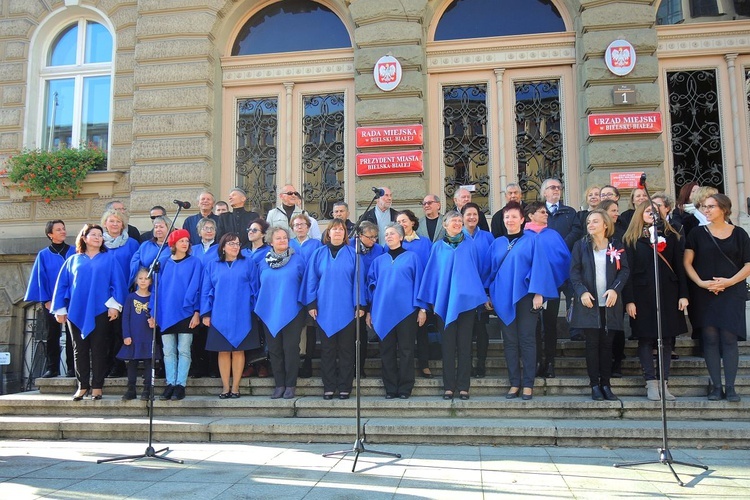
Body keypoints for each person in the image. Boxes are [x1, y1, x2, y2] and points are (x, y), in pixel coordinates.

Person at [484, 202, 559, 401]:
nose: (510, 220)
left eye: (514, 217)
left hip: (526, 297)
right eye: (507, 217)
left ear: (522, 219)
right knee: (509, 342)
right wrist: (488, 295)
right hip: (502, 298)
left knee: (527, 340)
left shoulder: (531, 241)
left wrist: (539, 293)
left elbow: (540, 267)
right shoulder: (497, 243)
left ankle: (528, 384)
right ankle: (514, 383)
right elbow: (490, 271)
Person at [684, 194, 750, 402]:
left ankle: (730, 387)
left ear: (724, 208)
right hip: (704, 293)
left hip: (731, 292)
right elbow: (687, 263)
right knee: (710, 339)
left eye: (711, 206)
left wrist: (728, 282)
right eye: (704, 206)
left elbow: (748, 265)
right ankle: (716, 387)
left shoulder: (739, 234)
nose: (706, 210)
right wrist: (701, 283)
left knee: (729, 339)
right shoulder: (696, 233)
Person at [51, 224, 126, 401]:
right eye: (94, 235)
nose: (98, 238)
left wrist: (114, 306)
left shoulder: (109, 259)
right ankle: (82, 385)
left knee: (99, 349)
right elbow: (62, 286)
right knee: (79, 350)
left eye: (100, 235)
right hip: (76, 312)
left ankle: (98, 387)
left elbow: (118, 284)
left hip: (101, 310)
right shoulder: (73, 260)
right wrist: (60, 309)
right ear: (84, 238)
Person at [623, 201, 688, 401]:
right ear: (640, 214)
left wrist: (683, 294)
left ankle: (664, 382)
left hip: (668, 292)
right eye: (648, 211)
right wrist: (629, 300)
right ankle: (650, 382)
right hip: (642, 295)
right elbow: (628, 272)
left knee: (667, 339)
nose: (652, 214)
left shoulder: (671, 236)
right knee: (645, 338)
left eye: (655, 211)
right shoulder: (631, 239)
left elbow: (679, 266)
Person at [418, 211, 486, 400]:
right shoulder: (438, 247)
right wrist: (430, 301)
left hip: (466, 304)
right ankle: (449, 386)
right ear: (445, 225)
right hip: (444, 303)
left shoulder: (470, 245)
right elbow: (432, 274)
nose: (457, 223)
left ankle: (464, 386)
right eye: (452, 221)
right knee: (447, 346)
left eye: (459, 220)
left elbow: (477, 269)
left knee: (465, 346)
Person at [300, 218, 365, 399]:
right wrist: (311, 304)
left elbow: (358, 282)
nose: (337, 232)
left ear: (345, 233)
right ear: (328, 233)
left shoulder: (354, 254)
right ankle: (329, 386)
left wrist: (359, 304)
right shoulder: (318, 254)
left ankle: (345, 386)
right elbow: (311, 280)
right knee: (327, 351)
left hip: (347, 310)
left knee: (346, 350)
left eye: (341, 229)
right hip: (324, 309)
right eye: (333, 229)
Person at [569, 209, 629, 402]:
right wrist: (581, 292)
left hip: (610, 302)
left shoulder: (616, 245)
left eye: (595, 221)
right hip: (589, 302)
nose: (590, 225)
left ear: (605, 224)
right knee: (592, 344)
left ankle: (606, 384)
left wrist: (615, 289)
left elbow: (624, 271)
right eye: (588, 222)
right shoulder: (580, 246)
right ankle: (594, 384)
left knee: (607, 345)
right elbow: (574, 272)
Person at [366, 223, 427, 399]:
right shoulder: (378, 261)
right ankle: (390, 388)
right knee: (387, 350)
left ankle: (406, 387)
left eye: (392, 233)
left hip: (407, 311)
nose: (389, 236)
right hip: (383, 312)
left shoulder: (412, 258)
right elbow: (371, 288)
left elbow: (420, 284)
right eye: (386, 233)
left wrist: (422, 309)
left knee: (407, 350)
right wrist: (370, 311)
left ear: (401, 237)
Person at [201, 232, 260, 398]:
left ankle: (236, 387)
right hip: (219, 315)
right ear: (223, 247)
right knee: (223, 351)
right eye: (232, 244)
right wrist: (206, 313)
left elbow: (256, 288)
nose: (236, 247)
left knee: (239, 351)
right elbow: (206, 290)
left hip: (242, 314)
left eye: (238, 243)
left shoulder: (248, 263)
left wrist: (255, 310)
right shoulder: (213, 265)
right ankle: (225, 387)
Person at [256, 226, 307, 399]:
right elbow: (258, 287)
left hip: (293, 312)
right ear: (270, 241)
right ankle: (279, 384)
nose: (283, 241)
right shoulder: (262, 263)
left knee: (291, 348)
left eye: (285, 238)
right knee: (275, 349)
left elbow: (305, 285)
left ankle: (291, 385)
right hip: (269, 312)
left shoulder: (298, 260)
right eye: (278, 238)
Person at [151, 229, 202, 401]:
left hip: (186, 312)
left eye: (187, 241)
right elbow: (155, 290)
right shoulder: (163, 263)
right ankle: (170, 383)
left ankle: (181, 384)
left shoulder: (195, 262)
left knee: (184, 350)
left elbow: (198, 288)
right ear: (173, 244)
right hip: (166, 313)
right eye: (181, 241)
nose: (185, 243)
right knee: (168, 351)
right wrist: (153, 312)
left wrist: (197, 312)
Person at [523, 201, 571, 379]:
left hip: (552, 288)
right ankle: (535, 361)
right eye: (542, 212)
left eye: (546, 212)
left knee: (550, 325)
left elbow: (564, 259)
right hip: (528, 291)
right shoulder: (523, 236)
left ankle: (550, 362)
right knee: (532, 327)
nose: (546, 215)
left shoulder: (553, 235)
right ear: (530, 215)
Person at [24, 220, 76, 378]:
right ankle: (52, 367)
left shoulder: (75, 252)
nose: (63, 231)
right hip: (51, 302)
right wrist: (46, 301)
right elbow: (40, 279)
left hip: (71, 301)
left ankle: (72, 368)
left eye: (63, 228)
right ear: (50, 234)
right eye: (58, 229)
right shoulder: (44, 255)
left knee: (72, 335)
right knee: (51, 335)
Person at [101, 208, 140, 378]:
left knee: (120, 331)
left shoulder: (131, 243)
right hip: (102, 293)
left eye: (118, 221)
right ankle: (104, 365)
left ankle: (118, 366)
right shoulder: (98, 242)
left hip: (124, 292)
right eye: (111, 221)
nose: (115, 224)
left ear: (123, 224)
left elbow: (136, 267)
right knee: (103, 332)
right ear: (105, 224)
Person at [461, 203, 494, 378]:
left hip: (483, 291)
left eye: (475, 214)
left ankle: (480, 364)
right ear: (462, 217)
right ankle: (467, 364)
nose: (472, 217)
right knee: (466, 331)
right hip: (465, 292)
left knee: (481, 330)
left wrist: (487, 292)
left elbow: (493, 264)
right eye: (468, 214)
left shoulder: (488, 237)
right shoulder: (457, 237)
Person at [289, 213, 323, 378]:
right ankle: (295, 363)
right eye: (296, 225)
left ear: (308, 227)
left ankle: (308, 362)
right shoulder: (288, 244)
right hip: (292, 292)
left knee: (310, 327)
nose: (300, 227)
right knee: (295, 329)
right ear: (292, 228)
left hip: (310, 290)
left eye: (303, 224)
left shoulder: (317, 244)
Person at [350, 220, 385, 378]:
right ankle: (350, 367)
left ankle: (360, 367)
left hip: (371, 295)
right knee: (351, 335)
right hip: (352, 296)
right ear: (359, 235)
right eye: (370, 237)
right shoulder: (350, 247)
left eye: (375, 237)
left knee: (362, 335)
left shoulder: (379, 250)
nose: (373, 240)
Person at [117, 268, 158, 401]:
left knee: (148, 363)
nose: (143, 281)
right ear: (136, 280)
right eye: (140, 278)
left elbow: (157, 315)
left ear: (151, 280)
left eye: (146, 278)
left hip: (147, 335)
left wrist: (155, 322)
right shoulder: (130, 297)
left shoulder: (153, 297)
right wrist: (126, 335)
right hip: (133, 336)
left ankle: (147, 389)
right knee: (132, 363)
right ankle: (131, 389)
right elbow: (126, 317)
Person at [190, 217, 219, 378]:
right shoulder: (192, 250)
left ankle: (213, 368)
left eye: (211, 228)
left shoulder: (220, 249)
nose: (209, 231)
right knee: (197, 335)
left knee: (211, 332)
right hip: (195, 295)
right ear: (199, 232)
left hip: (213, 296)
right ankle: (198, 368)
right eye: (205, 228)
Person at [241, 218, 271, 378]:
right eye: (249, 230)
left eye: (255, 230)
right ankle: (250, 364)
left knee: (263, 332)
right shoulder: (243, 252)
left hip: (263, 297)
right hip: (245, 298)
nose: (251, 233)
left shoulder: (269, 252)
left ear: (264, 234)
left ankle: (263, 365)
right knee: (249, 331)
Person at [129, 215, 171, 284]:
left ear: (169, 228)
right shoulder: (146, 245)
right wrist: (144, 272)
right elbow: (135, 262)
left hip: (165, 283)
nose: (158, 229)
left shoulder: (174, 246)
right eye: (156, 227)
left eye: (161, 227)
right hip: (145, 283)